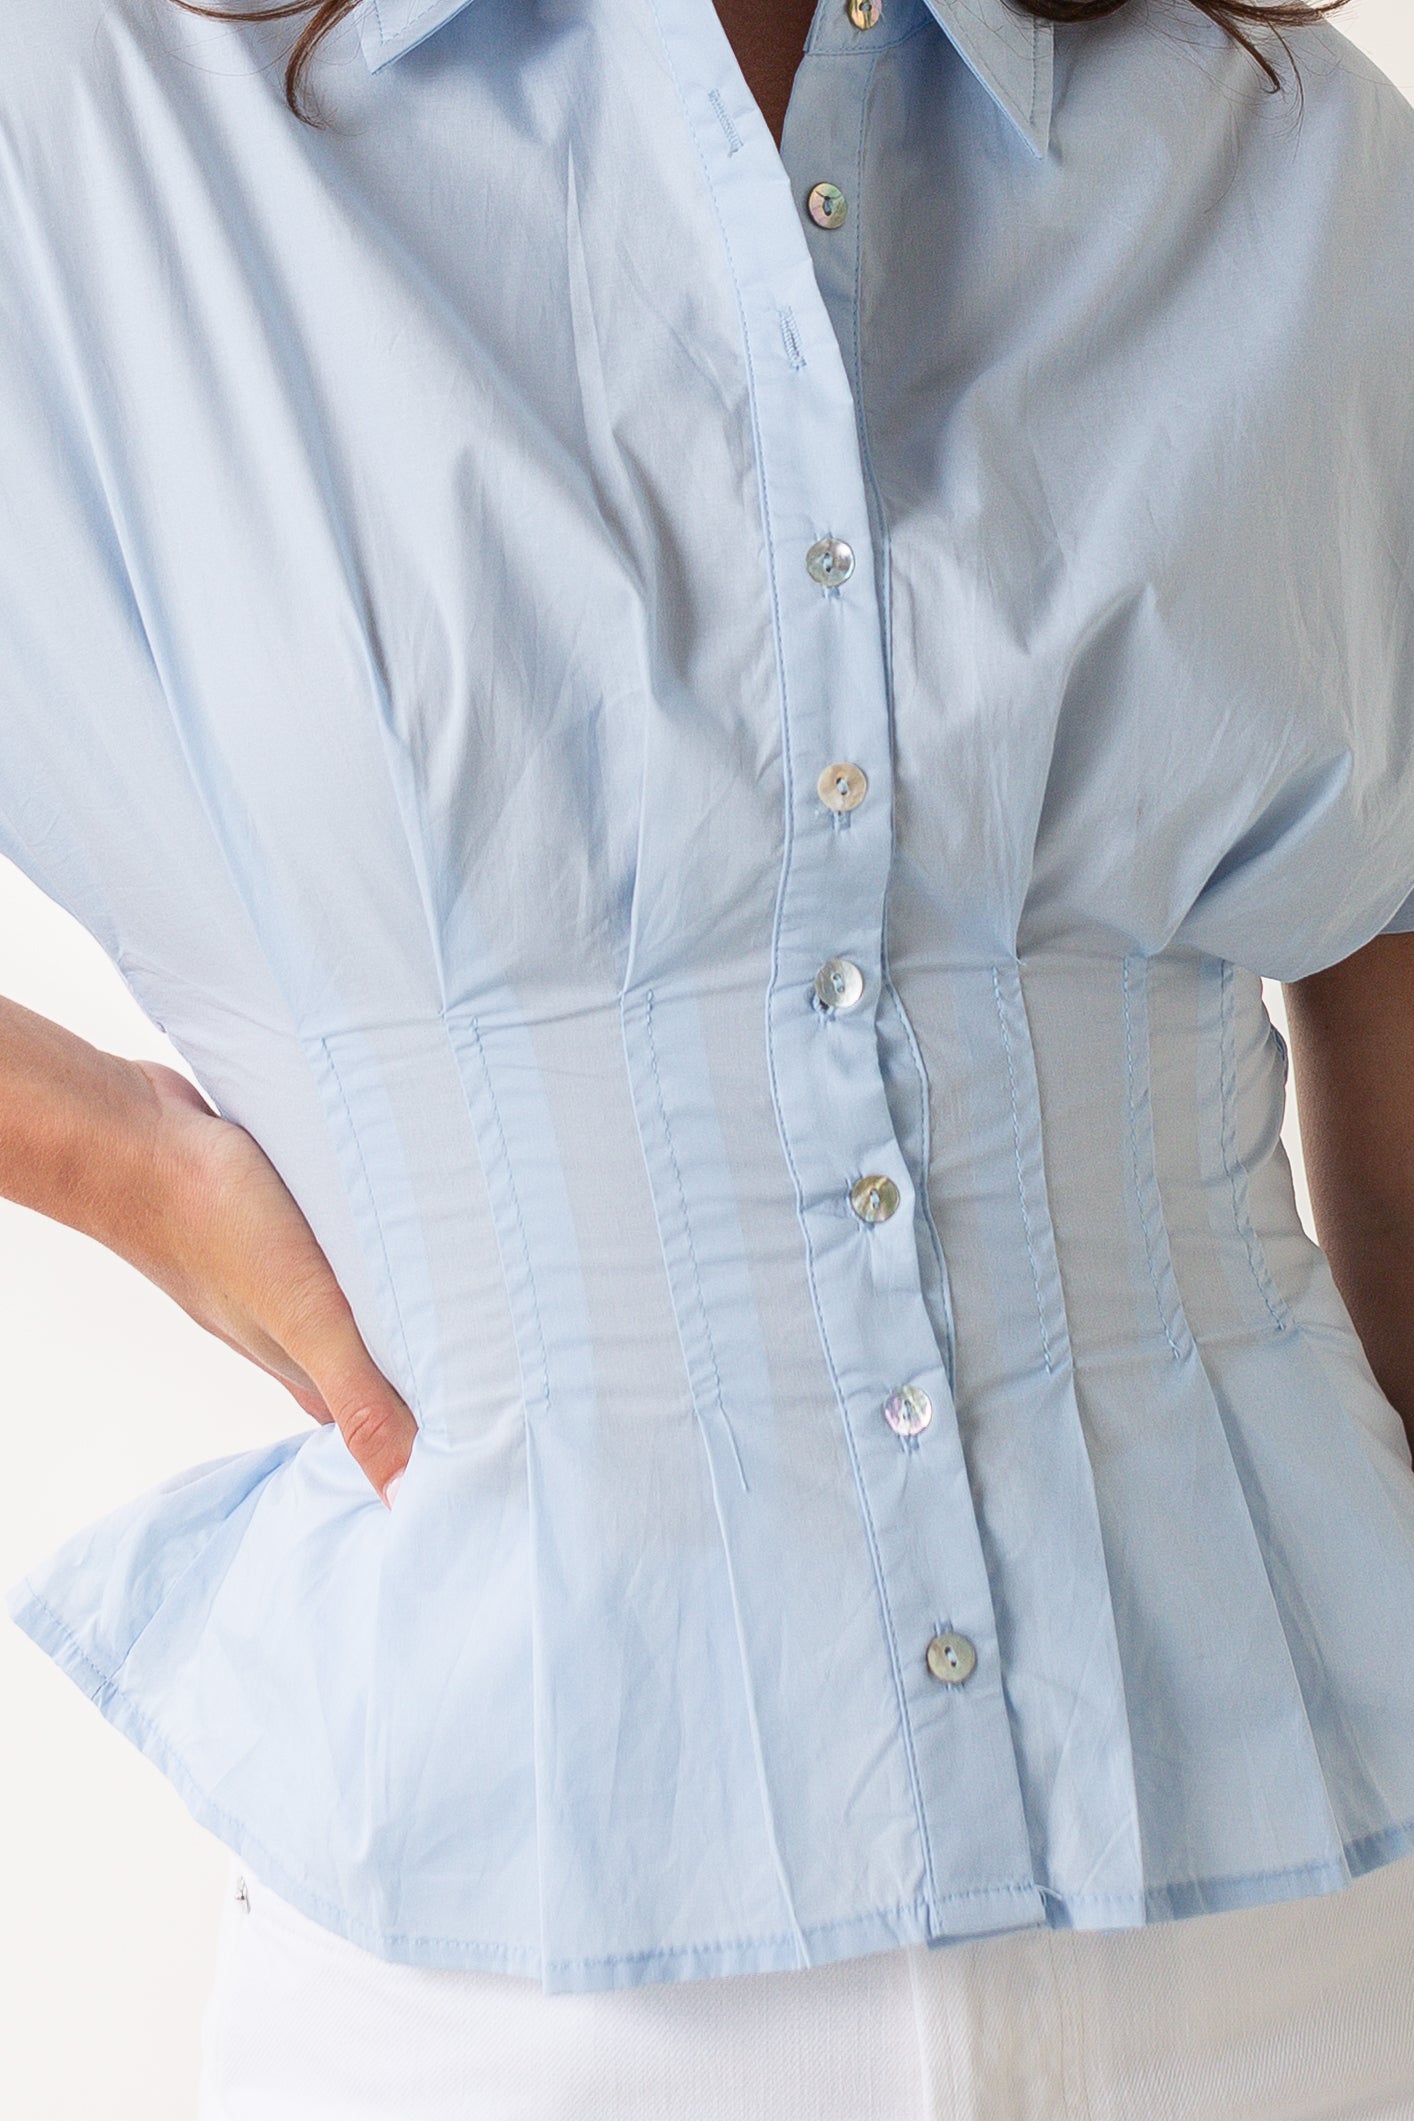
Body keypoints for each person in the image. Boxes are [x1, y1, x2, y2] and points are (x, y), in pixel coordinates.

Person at [3, 0, 1414, 2111]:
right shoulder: (90, 128)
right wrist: (115, 1156)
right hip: (510, 1988)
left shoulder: (1277, 149)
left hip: (1303, 1937)